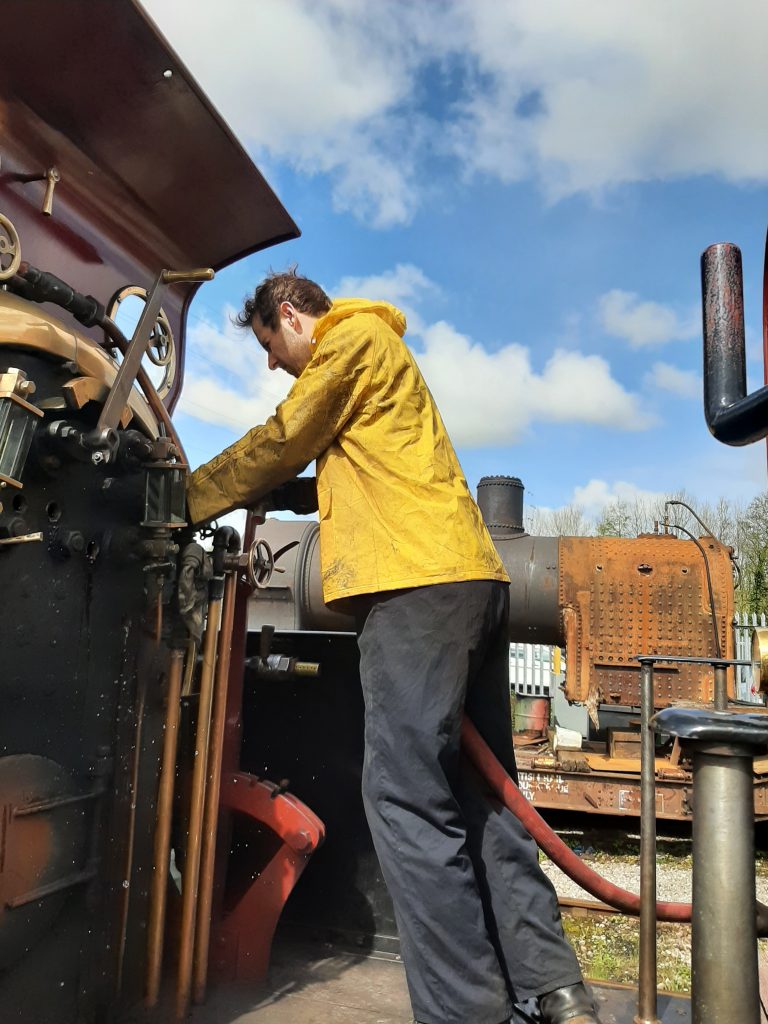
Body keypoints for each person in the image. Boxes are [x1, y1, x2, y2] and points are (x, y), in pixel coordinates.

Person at [186, 269, 601, 1024]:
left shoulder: (350, 340)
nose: (271, 363)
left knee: (405, 800)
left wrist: (182, 498)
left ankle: (465, 1013)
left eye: (269, 345)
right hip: (470, 578)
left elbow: (283, 438)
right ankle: (554, 986)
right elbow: (340, 473)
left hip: (414, 588)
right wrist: (276, 493)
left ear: (290, 315)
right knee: (485, 797)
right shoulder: (380, 363)